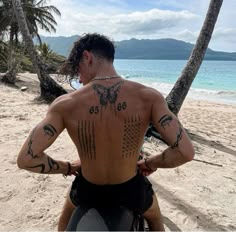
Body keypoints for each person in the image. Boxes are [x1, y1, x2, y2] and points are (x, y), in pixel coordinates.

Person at [17, 33, 195, 231]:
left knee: (64, 222)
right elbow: (185, 152)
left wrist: (67, 168)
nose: (79, 77)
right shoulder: (149, 97)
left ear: (87, 57)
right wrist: (148, 163)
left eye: (78, 68)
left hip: (88, 190)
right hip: (131, 189)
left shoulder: (66, 104)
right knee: (154, 219)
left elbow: (27, 159)